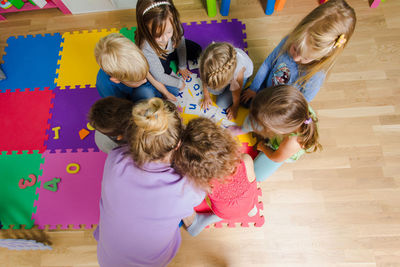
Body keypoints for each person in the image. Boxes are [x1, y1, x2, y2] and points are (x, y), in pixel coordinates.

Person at [94, 98, 205, 266]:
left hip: (108, 260)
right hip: (152, 262)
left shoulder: (115, 159)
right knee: (180, 211)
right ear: (178, 145)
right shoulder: (187, 188)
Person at [241, 0, 356, 105]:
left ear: (321, 57)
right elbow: (268, 64)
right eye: (295, 49)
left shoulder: (316, 76)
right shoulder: (289, 40)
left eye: (305, 58)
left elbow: (302, 102)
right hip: (265, 89)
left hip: (282, 105)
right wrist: (253, 88)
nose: (296, 58)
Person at [173, 117, 258, 236]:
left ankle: (198, 222)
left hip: (222, 212)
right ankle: (250, 209)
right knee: (248, 189)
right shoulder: (245, 160)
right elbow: (253, 183)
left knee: (179, 195)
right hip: (249, 202)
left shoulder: (203, 182)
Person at [245, 85, 322, 182]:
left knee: (256, 176)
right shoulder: (293, 105)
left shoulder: (293, 143)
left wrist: (263, 147)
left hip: (278, 151)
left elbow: (276, 158)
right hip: (284, 137)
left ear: (280, 131)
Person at [135, 0, 202, 92]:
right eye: (158, 35)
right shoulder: (145, 47)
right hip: (159, 57)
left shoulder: (172, 21)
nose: (165, 39)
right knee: (172, 85)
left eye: (169, 32)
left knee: (197, 51)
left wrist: (182, 66)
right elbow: (160, 76)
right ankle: (169, 70)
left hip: (171, 49)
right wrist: (178, 83)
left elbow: (181, 43)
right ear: (146, 29)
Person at [95, 33, 178, 102]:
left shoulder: (135, 60)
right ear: (116, 80)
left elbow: (149, 77)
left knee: (174, 90)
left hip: (142, 87)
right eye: (139, 80)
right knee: (146, 95)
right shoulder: (106, 87)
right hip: (132, 98)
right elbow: (120, 108)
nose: (145, 79)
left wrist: (166, 92)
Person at [200, 42, 253, 119]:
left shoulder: (238, 72)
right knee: (214, 90)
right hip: (227, 72)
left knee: (221, 104)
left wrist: (235, 107)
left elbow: (236, 94)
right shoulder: (206, 62)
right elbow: (204, 79)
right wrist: (206, 95)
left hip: (241, 77)